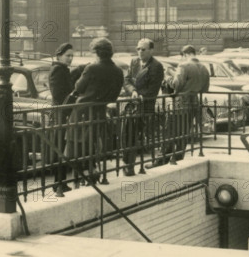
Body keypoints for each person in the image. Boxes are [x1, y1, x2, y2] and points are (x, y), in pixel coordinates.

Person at [66, 37, 124, 184]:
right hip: (100, 111)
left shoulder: (92, 68)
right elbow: (114, 95)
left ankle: (80, 178)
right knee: (93, 144)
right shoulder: (117, 70)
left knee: (76, 145)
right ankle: (92, 171)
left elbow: (79, 88)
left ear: (97, 52)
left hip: (83, 111)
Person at [159, 44, 210, 164]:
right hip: (194, 103)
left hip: (180, 104)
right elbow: (205, 89)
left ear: (185, 55)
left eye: (181, 56)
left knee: (169, 131)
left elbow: (176, 85)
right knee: (184, 132)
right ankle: (178, 158)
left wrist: (167, 77)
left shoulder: (184, 65)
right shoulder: (203, 67)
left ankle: (163, 160)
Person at [123, 38, 164, 176]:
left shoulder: (156, 66)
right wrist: (133, 91)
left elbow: (153, 88)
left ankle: (134, 165)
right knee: (128, 134)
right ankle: (128, 164)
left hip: (145, 106)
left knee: (138, 135)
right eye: (138, 49)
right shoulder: (134, 62)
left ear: (151, 50)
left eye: (143, 49)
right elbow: (127, 79)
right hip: (133, 104)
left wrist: (141, 95)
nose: (140, 52)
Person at [48, 42, 75, 193]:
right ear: (59, 56)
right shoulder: (58, 70)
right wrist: (73, 97)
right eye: (67, 56)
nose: (70, 58)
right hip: (60, 113)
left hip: (63, 113)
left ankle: (61, 181)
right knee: (59, 147)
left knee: (62, 147)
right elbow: (58, 95)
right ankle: (58, 182)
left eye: (72, 56)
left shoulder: (62, 69)